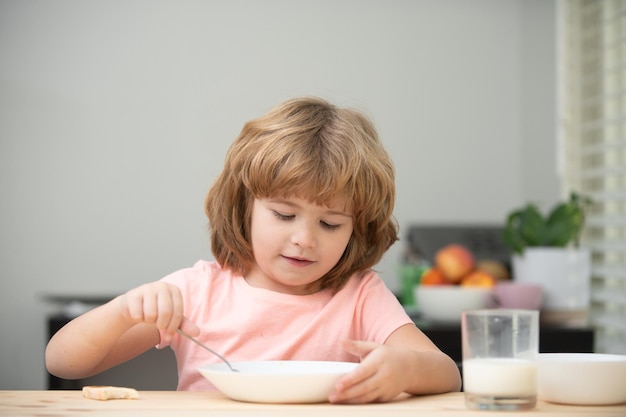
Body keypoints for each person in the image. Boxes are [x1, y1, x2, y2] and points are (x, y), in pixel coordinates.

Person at [45, 96, 462, 403]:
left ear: (357, 229)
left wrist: (404, 367)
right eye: (284, 215)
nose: (304, 239)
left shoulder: (359, 295)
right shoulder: (198, 292)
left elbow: (447, 374)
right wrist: (122, 311)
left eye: (330, 223)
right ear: (244, 208)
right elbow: (64, 363)